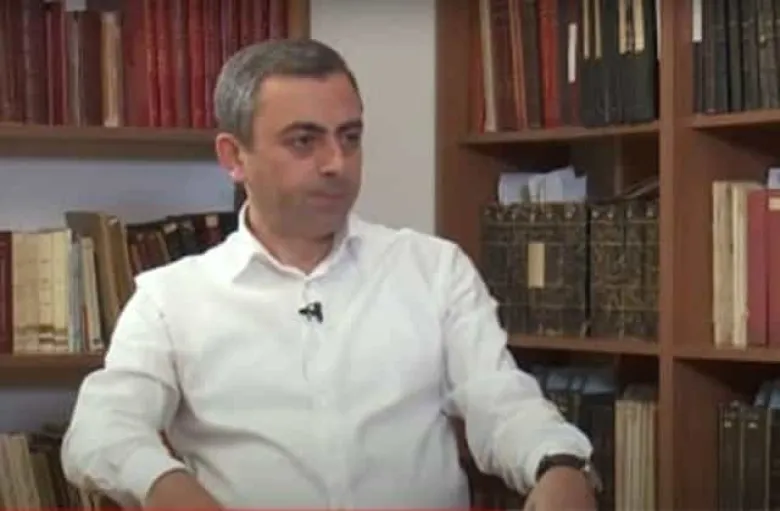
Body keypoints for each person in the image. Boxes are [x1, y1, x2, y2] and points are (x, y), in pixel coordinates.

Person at [60, 39, 599, 511]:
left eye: (350, 137)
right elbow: (100, 429)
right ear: (234, 156)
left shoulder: (433, 269)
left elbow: (499, 401)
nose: (337, 163)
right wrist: (164, 483)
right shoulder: (171, 299)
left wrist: (558, 464)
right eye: (304, 140)